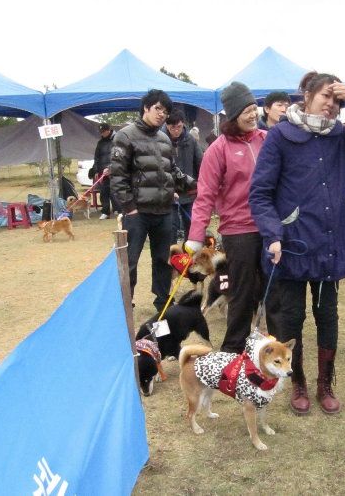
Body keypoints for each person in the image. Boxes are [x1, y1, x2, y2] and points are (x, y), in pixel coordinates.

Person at [249, 71, 345, 415]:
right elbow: (261, 192)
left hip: (330, 244)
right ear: (307, 95)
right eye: (326, 96)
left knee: (327, 314)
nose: (331, 105)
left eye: (336, 100)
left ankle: (325, 384)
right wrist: (272, 233)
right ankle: (297, 381)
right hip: (293, 244)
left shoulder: (339, 135)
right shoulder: (281, 135)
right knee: (291, 318)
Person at [184, 81, 279, 353]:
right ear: (233, 115)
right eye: (246, 110)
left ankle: (275, 347)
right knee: (242, 293)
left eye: (254, 108)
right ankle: (233, 350)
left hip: (270, 227)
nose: (252, 114)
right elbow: (205, 195)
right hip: (239, 230)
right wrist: (196, 236)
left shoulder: (267, 139)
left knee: (274, 291)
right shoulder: (219, 148)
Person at [110, 90, 195, 312]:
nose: (161, 114)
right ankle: (124, 305)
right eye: (158, 109)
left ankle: (163, 302)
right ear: (146, 108)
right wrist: (129, 208)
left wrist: (195, 185)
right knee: (130, 261)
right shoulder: (125, 136)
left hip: (164, 210)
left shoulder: (164, 138)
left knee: (163, 259)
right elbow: (117, 176)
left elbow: (172, 172)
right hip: (137, 212)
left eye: (165, 111)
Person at [163, 109, 203, 242]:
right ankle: (171, 253)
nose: (176, 130)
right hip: (168, 191)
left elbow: (201, 163)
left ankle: (189, 252)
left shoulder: (190, 139)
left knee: (190, 223)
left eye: (179, 127)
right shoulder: (159, 140)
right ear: (166, 125)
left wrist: (200, 184)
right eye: (172, 127)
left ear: (183, 124)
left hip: (189, 190)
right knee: (171, 226)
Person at [91, 123, 120, 220]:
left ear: (109, 130)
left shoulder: (117, 139)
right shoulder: (100, 143)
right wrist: (96, 170)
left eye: (103, 131)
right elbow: (96, 157)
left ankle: (118, 210)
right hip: (102, 172)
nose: (102, 134)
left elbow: (119, 156)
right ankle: (105, 212)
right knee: (103, 192)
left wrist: (111, 168)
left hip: (115, 170)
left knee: (114, 191)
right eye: (101, 132)